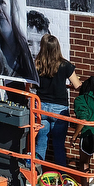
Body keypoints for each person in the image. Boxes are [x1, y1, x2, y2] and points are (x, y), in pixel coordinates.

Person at [33, 34, 81, 167]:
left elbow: (32, 85)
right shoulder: (65, 65)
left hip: (41, 107)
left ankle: (36, 176)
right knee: (59, 146)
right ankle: (62, 177)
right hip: (59, 110)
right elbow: (77, 85)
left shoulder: (37, 64)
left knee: (41, 143)